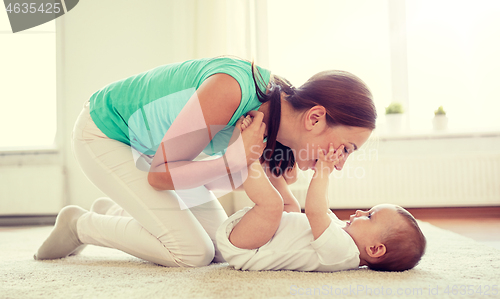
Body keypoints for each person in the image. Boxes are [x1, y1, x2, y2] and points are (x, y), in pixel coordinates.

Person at [34, 55, 377, 267]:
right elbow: (159, 177)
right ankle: (80, 224)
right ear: (315, 118)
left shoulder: (274, 121)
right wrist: (233, 160)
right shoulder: (234, 89)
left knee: (219, 243)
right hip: (106, 134)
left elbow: (284, 213)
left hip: (157, 155)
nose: (341, 162)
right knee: (192, 253)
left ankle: (120, 210)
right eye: (346, 148)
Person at [216, 119, 426, 271]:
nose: (361, 211)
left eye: (369, 216)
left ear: (375, 249)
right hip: (262, 235)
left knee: (273, 205)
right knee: (292, 208)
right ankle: (272, 171)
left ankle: (247, 157)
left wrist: (323, 171)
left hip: (249, 248)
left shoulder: (343, 252)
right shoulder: (343, 236)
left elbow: (316, 212)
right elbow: (324, 209)